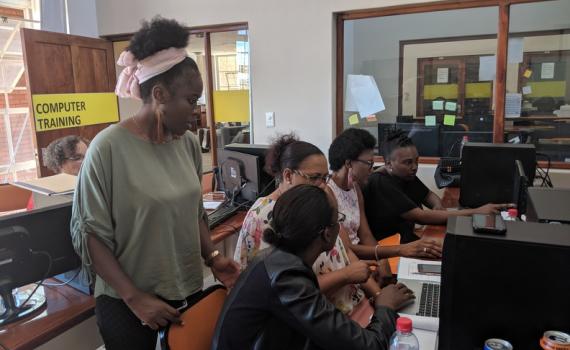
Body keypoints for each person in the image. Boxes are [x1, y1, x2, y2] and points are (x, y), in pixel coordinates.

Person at [70, 17, 239, 350]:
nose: (197, 113)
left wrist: (214, 256)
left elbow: (194, 214)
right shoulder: (108, 148)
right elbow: (90, 235)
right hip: (128, 302)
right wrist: (136, 299)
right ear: (159, 94)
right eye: (191, 101)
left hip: (186, 289)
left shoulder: (188, 144)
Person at [213, 185, 414, 350]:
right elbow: (367, 346)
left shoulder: (277, 260)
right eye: (339, 221)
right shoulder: (286, 278)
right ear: (327, 235)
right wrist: (385, 306)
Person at [234, 134, 384, 325]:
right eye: (314, 178)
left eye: (324, 178)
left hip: (353, 308)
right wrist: (346, 276)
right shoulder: (265, 216)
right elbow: (287, 290)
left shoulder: (318, 201)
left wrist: (378, 295)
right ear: (288, 176)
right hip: (318, 322)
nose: (322, 185)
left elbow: (343, 251)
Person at [364, 129, 510, 243]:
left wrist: (437, 206)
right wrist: (477, 211)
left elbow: (428, 195)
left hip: (405, 239)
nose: (415, 167)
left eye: (417, 160)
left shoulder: (405, 175)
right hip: (389, 247)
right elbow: (421, 216)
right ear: (389, 163)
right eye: (408, 162)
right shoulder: (381, 183)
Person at [328, 128, 443, 263]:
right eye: (369, 163)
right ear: (348, 163)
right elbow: (345, 250)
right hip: (348, 262)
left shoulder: (355, 189)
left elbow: (365, 235)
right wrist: (398, 251)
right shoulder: (328, 194)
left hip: (366, 257)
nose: (372, 169)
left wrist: (382, 261)